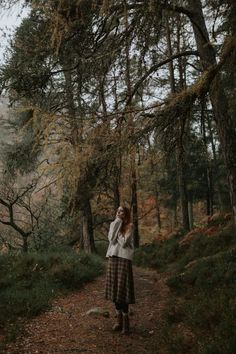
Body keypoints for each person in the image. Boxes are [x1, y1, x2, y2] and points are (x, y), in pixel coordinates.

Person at [105, 205, 135, 335]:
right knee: (115, 289)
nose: (118, 212)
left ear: (126, 213)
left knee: (122, 290)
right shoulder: (115, 223)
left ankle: (126, 324)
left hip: (123, 259)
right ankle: (118, 321)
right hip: (113, 258)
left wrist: (117, 233)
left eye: (121, 211)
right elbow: (111, 239)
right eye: (117, 210)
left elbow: (124, 243)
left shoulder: (130, 226)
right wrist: (117, 223)